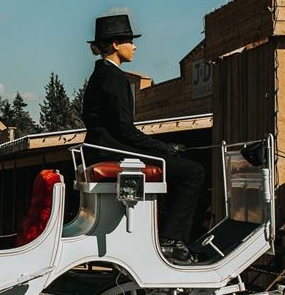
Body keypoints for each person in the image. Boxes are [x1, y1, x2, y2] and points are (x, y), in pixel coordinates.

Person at [81, 13, 204, 263]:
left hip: (102, 149)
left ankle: (169, 236)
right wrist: (165, 148)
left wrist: (161, 150)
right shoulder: (114, 78)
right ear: (116, 44)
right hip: (112, 152)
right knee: (193, 172)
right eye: (130, 41)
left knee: (180, 168)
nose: (134, 46)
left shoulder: (100, 76)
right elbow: (124, 130)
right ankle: (171, 240)